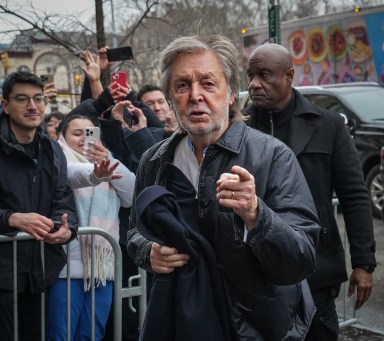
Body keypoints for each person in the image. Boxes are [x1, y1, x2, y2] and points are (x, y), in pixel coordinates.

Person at [126, 35, 321, 340]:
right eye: (182, 86)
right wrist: (147, 251)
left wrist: (256, 214)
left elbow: (301, 259)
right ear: (169, 96)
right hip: (178, 322)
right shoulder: (155, 159)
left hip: (256, 329)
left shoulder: (273, 156)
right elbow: (134, 230)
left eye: (208, 83)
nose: (195, 96)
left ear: (230, 93)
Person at [244, 43, 377, 341]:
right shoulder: (236, 128)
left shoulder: (328, 126)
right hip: (254, 269)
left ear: (289, 76)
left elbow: (354, 197)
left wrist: (363, 263)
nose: (254, 84)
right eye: (251, 75)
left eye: (264, 75)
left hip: (315, 272)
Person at [0, 71, 78, 340]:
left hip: (40, 272)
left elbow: (63, 198)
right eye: (22, 99)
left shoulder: (52, 148)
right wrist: (11, 219)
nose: (32, 106)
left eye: (38, 98)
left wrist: (66, 228)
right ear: (5, 104)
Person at [46, 114, 135, 341]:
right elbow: (75, 174)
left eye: (89, 134)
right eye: (76, 133)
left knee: (92, 333)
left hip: (101, 267)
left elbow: (132, 193)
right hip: (66, 266)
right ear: (61, 137)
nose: (83, 139)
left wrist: (108, 159)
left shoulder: (108, 162)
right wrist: (96, 174)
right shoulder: (56, 160)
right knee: (61, 333)